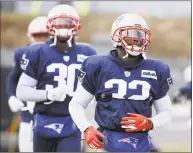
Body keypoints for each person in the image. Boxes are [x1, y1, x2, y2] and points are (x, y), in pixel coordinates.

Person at [69, 13, 173, 152]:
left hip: (140, 144)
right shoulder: (98, 65)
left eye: (139, 36)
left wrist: (150, 123)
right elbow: (76, 104)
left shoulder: (156, 69)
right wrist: (86, 128)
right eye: (131, 35)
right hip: (106, 142)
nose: (136, 40)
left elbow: (166, 113)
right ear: (116, 36)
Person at [16, 4, 97, 152]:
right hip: (43, 119)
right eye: (60, 23)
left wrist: (91, 97)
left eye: (68, 23)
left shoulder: (88, 52)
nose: (64, 27)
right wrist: (47, 94)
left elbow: (97, 87)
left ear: (77, 26)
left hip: (73, 121)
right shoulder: (37, 51)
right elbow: (22, 91)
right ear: (50, 26)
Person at [6, 16, 49, 152]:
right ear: (30, 36)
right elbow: (13, 78)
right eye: (38, 36)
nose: (42, 40)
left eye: (45, 36)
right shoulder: (22, 54)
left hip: (52, 114)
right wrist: (12, 97)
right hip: (28, 116)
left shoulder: (61, 55)